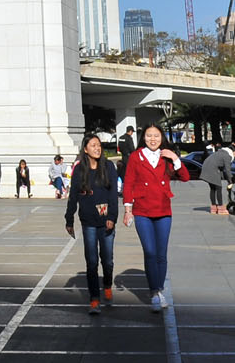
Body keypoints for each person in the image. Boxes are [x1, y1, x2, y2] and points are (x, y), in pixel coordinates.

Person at [121, 123, 190, 312]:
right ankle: (154, 291)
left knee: (161, 254)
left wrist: (175, 157)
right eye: (149, 135)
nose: (153, 139)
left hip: (163, 210)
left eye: (157, 136)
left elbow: (184, 177)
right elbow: (128, 184)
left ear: (162, 138)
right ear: (143, 137)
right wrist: (127, 209)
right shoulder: (136, 157)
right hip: (142, 210)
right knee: (150, 252)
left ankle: (158, 290)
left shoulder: (166, 156)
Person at [65, 133, 121, 315]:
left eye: (99, 145)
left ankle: (106, 284)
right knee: (91, 261)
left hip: (106, 221)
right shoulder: (80, 169)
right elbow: (73, 195)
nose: (97, 148)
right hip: (88, 221)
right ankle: (94, 299)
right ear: (85, 149)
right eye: (93, 145)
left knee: (108, 260)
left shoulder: (109, 167)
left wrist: (112, 216)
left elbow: (113, 195)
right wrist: (69, 219)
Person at [201, 139, 233, 215]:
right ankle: (221, 208)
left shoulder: (219, 153)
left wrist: (222, 177)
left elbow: (221, 167)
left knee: (212, 188)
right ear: (233, 152)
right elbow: (228, 170)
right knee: (219, 187)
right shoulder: (227, 156)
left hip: (205, 168)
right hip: (212, 169)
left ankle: (213, 208)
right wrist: (230, 181)